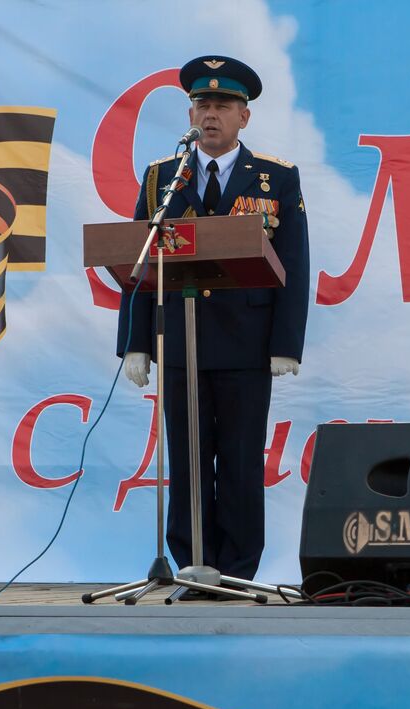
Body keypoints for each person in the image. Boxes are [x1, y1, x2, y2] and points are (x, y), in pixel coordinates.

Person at [118, 55, 309, 591]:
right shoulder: (163, 177)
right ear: (189, 112)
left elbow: (293, 265)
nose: (211, 114)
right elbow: (137, 263)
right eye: (203, 104)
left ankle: (238, 572)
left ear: (244, 117)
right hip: (181, 341)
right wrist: (135, 343)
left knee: (243, 463)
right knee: (187, 460)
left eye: (223, 106)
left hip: (247, 344)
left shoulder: (276, 178)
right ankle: (193, 565)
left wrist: (286, 344)